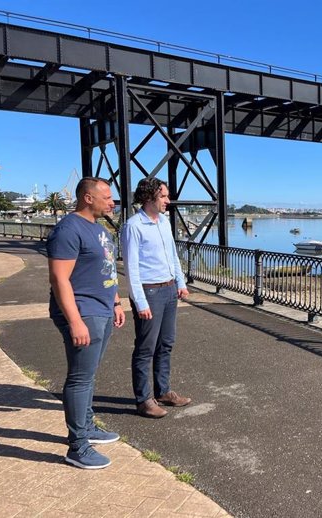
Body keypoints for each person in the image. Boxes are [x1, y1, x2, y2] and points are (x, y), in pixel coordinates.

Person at [48, 177, 125, 470]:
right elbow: (59, 279)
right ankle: (78, 446)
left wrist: (116, 302)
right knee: (80, 377)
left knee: (89, 373)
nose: (112, 202)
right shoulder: (68, 229)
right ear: (88, 198)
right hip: (83, 312)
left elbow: (105, 269)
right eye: (107, 197)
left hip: (102, 309)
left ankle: (88, 426)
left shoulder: (99, 230)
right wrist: (75, 321)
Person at [121, 177, 191, 419]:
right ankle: (143, 400)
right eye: (164, 196)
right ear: (150, 197)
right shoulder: (133, 226)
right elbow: (131, 268)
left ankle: (163, 392)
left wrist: (180, 283)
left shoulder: (163, 222)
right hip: (150, 291)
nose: (168, 201)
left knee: (166, 343)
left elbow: (172, 255)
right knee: (145, 347)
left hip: (169, 289)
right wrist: (139, 302)